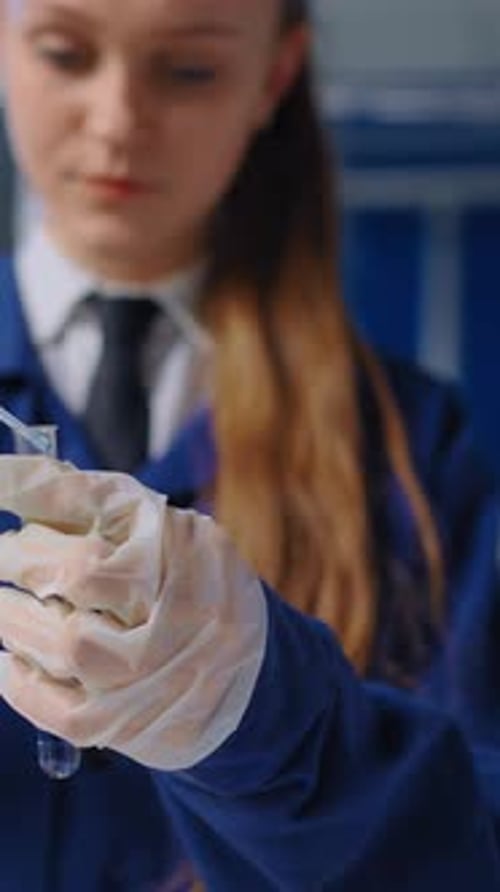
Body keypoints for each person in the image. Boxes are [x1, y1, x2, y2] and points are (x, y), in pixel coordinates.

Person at [0, 0, 499, 890]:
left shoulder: (413, 449)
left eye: (189, 70)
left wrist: (261, 714)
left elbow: (473, 845)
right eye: (66, 54)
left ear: (274, 76)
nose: (117, 122)